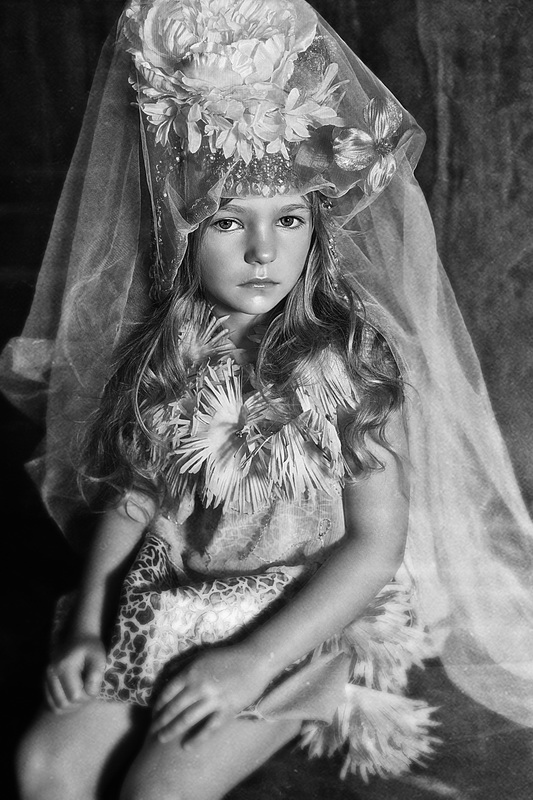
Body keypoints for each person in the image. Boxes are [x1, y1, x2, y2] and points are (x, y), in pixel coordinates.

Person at [2, 1, 532, 799]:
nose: (262, 250)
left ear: (316, 230)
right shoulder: (167, 350)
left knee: (158, 792)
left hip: (292, 616)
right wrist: (86, 625)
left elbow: (372, 547)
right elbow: (135, 494)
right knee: (45, 770)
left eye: (287, 220)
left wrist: (249, 661)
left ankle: (279, 691)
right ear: (182, 230)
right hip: (169, 597)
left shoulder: (350, 365)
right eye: (227, 222)